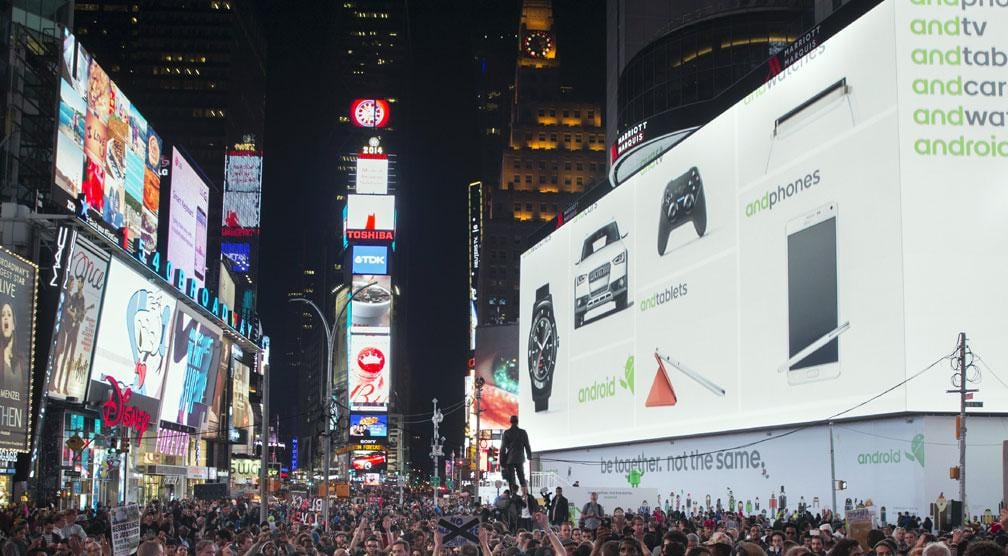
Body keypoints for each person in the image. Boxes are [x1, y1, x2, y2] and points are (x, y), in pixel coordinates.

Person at [499, 415, 532, 497]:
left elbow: (502, 448)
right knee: (521, 476)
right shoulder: (523, 432)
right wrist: (529, 456)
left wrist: (502, 461)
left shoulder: (506, 433)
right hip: (520, 458)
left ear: (510, 421)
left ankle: (513, 494)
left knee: (511, 478)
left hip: (510, 459)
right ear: (517, 421)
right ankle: (525, 494)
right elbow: (527, 445)